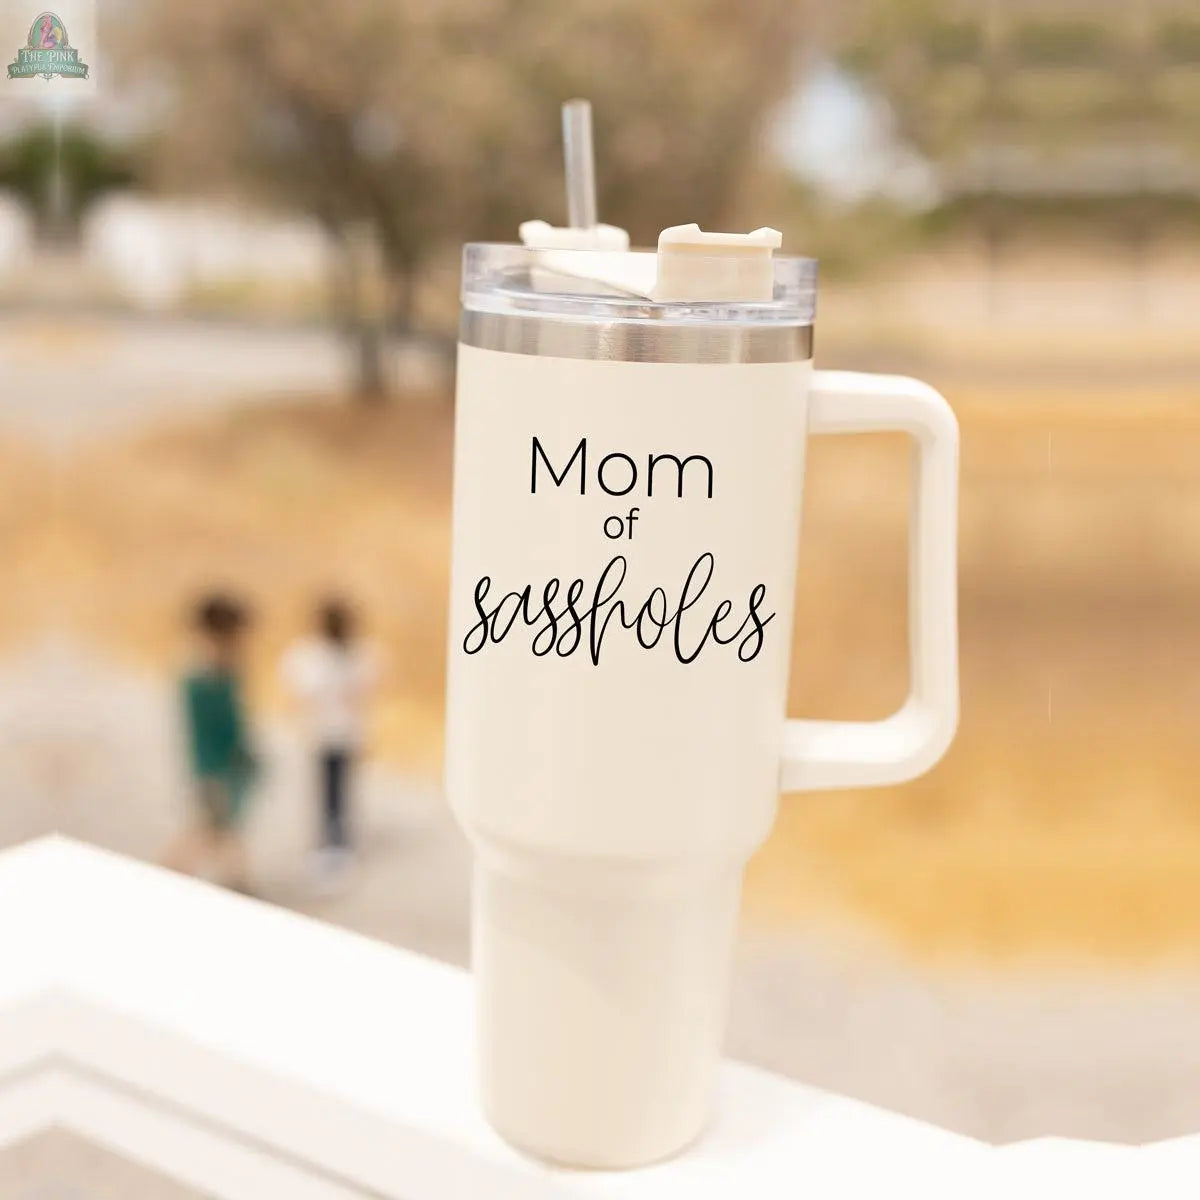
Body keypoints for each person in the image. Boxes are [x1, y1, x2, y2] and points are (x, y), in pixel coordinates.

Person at [281, 597, 379, 890]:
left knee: (340, 791)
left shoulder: (358, 654)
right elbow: (303, 692)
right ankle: (328, 843)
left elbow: (365, 691)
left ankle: (339, 843)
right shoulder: (312, 656)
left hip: (345, 733)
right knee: (327, 791)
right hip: (323, 733)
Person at [162, 593, 258, 891]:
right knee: (210, 831)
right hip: (214, 770)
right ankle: (237, 884)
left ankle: (237, 881)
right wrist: (213, 773)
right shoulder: (205, 674)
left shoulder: (224, 669)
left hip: (228, 767)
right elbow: (205, 732)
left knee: (217, 830)